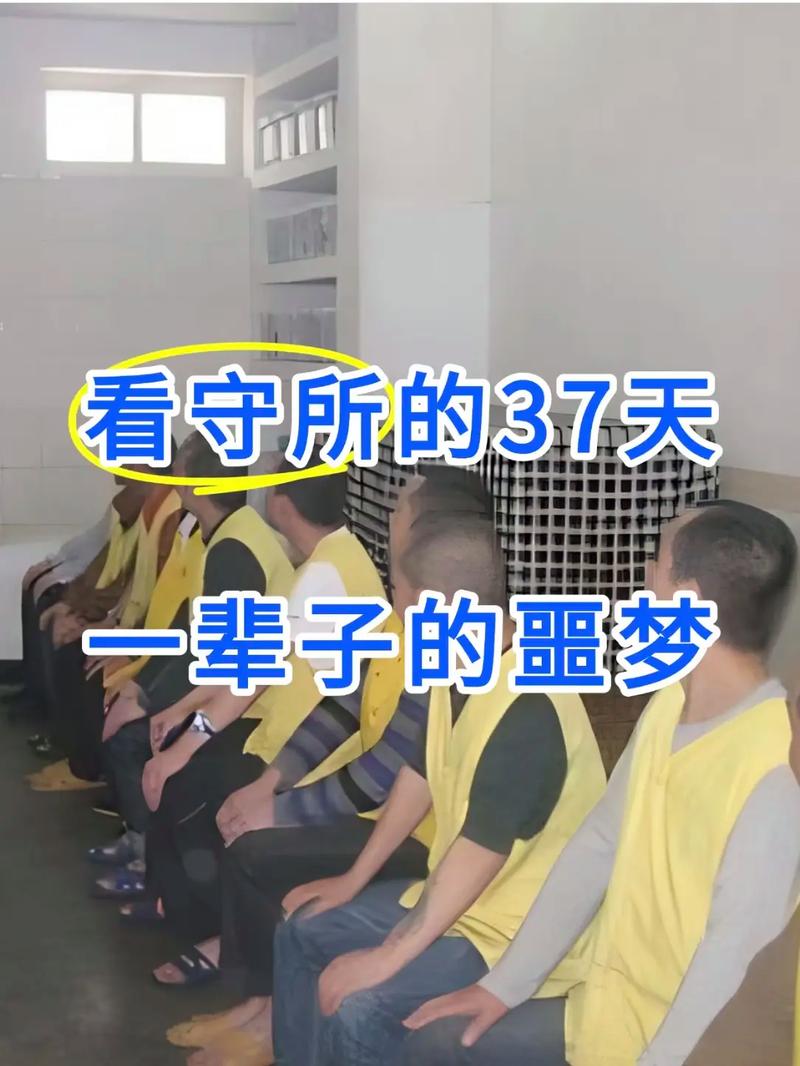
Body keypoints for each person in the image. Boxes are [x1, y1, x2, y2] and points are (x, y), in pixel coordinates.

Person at [402, 501, 800, 1066]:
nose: (645, 577)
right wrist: (505, 985)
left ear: (687, 601)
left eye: (657, 564)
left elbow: (732, 961)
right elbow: (599, 846)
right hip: (604, 1010)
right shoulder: (670, 702)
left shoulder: (776, 766)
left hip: (678, 1047)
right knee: (437, 1040)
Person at [164, 468, 495, 1063]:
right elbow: (343, 703)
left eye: (400, 511)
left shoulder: (453, 644)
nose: (389, 520)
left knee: (258, 852)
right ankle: (262, 1007)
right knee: (250, 835)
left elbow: (393, 768)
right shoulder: (403, 617)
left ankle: (270, 1023)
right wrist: (270, 785)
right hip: (384, 812)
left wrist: (283, 809)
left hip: (422, 837)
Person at [270, 510, 607, 1066]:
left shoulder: (530, 705)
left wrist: (385, 959)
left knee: (361, 1004)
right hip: (459, 901)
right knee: (301, 927)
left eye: (400, 597)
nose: (396, 611)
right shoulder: (455, 662)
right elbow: (420, 773)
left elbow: (480, 852)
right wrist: (353, 879)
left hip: (513, 934)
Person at [126, 453, 387, 953]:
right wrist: (184, 710)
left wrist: (182, 745)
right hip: (290, 733)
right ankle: (182, 908)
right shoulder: (334, 555)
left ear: (282, 502)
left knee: (186, 782)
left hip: (309, 752)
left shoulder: (322, 575)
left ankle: (211, 933)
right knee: (182, 760)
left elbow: (254, 677)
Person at [93, 432, 294, 897]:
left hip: (256, 708)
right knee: (129, 717)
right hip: (234, 688)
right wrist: (141, 688)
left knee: (133, 740)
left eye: (181, 472)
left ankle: (149, 865)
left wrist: (156, 704)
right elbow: (193, 628)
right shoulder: (223, 532)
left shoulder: (235, 549)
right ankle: (142, 843)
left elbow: (228, 659)